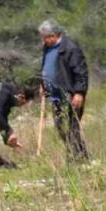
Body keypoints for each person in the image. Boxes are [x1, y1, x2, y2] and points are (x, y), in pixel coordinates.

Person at [38, 20, 90, 162]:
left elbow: (81, 72)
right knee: (60, 126)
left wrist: (79, 92)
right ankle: (76, 154)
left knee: (72, 127)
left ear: (54, 35)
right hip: (55, 96)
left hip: (70, 94)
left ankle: (80, 158)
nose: (43, 40)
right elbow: (46, 67)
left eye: (45, 37)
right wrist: (43, 84)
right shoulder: (47, 48)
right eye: (42, 37)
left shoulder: (70, 49)